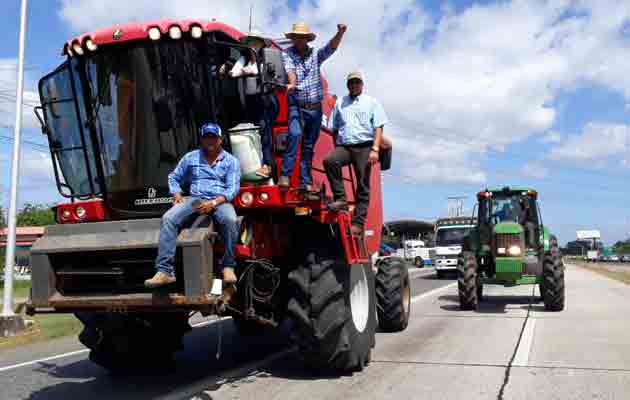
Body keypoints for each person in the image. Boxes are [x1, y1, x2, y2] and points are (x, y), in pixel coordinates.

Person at [145, 122, 241, 288]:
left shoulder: (231, 161)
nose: (210, 141)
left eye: (213, 137)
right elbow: (174, 176)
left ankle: (228, 266)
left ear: (221, 139)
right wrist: (176, 193)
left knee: (231, 220)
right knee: (168, 218)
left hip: (219, 200)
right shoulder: (191, 157)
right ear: (202, 139)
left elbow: (232, 189)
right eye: (206, 137)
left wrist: (214, 202)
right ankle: (165, 271)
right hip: (195, 198)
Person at [279, 22, 347, 192]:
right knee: (294, 135)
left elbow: (330, 48)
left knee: (309, 146)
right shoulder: (287, 54)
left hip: (315, 109)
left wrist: (340, 33)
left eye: (301, 37)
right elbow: (290, 70)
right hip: (297, 105)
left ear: (306, 39)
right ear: (293, 38)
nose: (298, 40)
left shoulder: (316, 54)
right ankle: (285, 175)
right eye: (296, 37)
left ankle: (305, 181)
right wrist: (292, 83)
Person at [324, 71, 388, 235]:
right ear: (348, 85)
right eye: (351, 83)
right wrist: (337, 145)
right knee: (330, 160)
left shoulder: (371, 102)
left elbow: (379, 127)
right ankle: (341, 200)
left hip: (365, 146)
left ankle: (358, 223)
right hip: (345, 146)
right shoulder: (340, 103)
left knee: (363, 185)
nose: (354, 85)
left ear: (362, 84)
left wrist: (375, 149)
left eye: (357, 82)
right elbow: (333, 127)